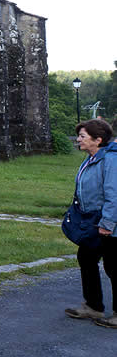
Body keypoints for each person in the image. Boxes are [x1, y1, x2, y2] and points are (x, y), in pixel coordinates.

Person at [64, 119, 117, 328]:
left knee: (113, 266)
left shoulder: (111, 160)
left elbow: (114, 195)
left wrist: (108, 223)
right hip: (93, 222)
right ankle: (93, 306)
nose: (78, 139)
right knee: (86, 258)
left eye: (82, 136)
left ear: (98, 140)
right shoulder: (91, 158)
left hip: (109, 224)